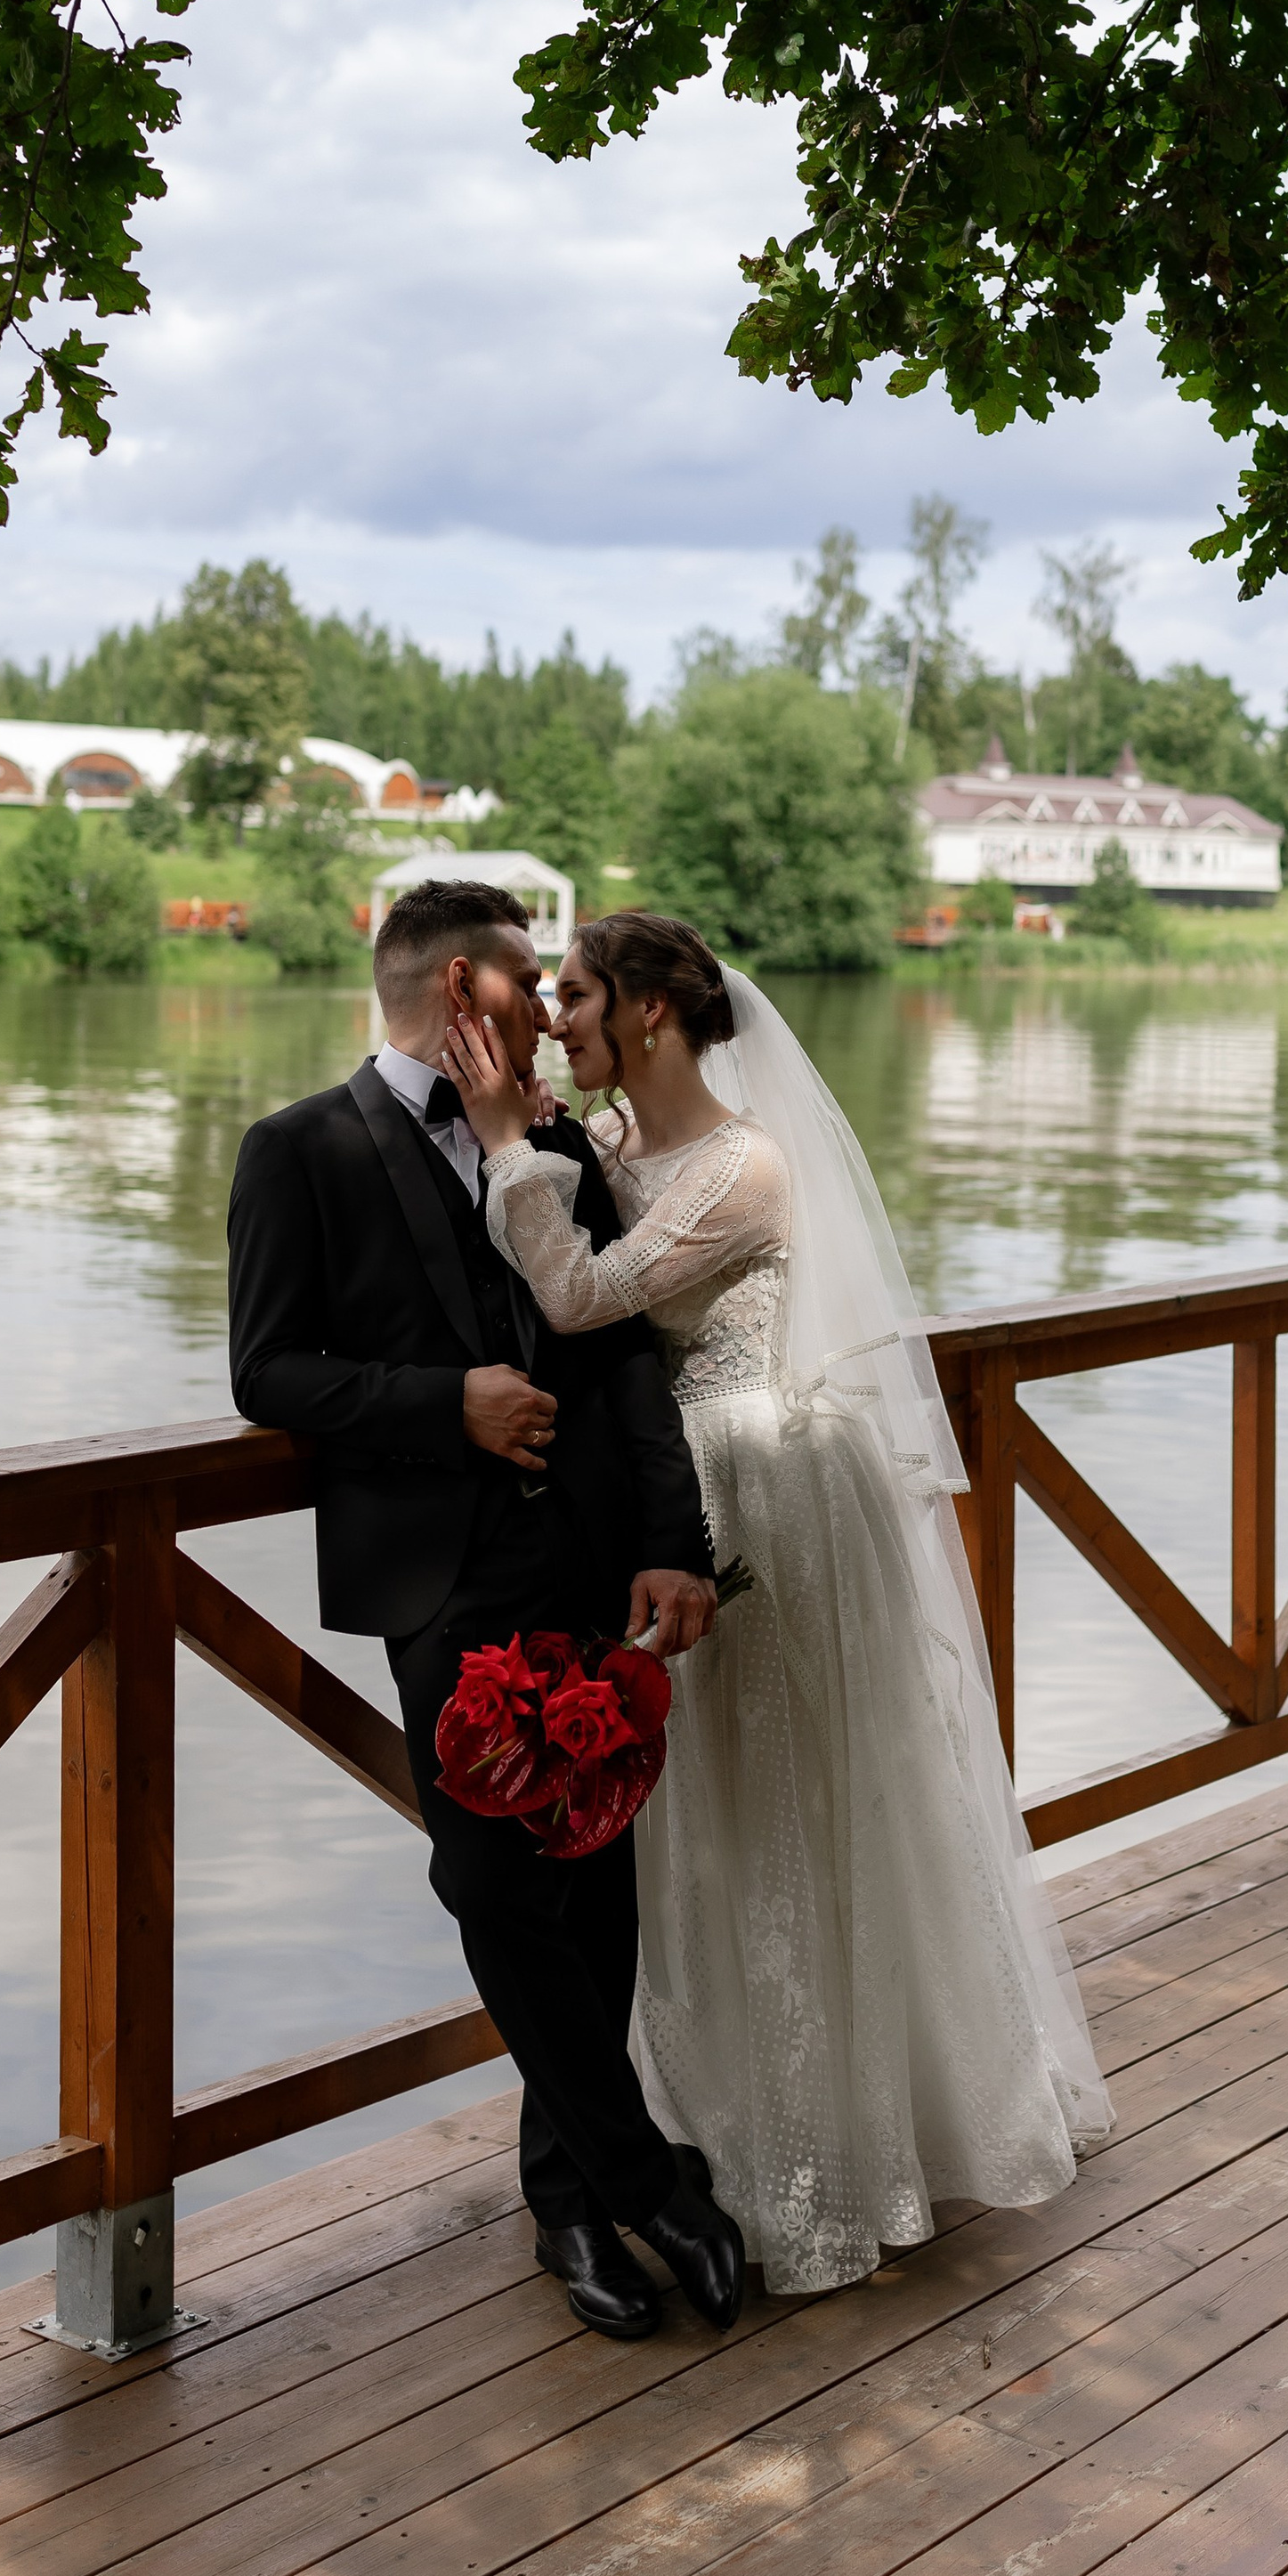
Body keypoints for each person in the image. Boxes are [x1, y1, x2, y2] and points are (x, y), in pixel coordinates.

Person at [443, 908, 1113, 2296]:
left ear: (651, 1011)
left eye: (578, 994)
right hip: (663, 1499)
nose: (557, 1015)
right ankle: (671, 2130)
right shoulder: (609, 1145)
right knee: (679, 1825)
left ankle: (817, 2149)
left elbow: (581, 1295)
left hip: (763, 1490)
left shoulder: (746, 1168)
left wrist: (508, 1146)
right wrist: (540, 1134)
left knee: (787, 1801)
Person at [226, 876, 749, 2343]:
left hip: (590, 1565)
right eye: (532, 977)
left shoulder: (562, 1143)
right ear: (464, 987)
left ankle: (570, 2205)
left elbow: (626, 1366)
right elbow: (267, 1369)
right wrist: (441, 1401)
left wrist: (674, 1545)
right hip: (439, 1581)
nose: (549, 1005)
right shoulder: (299, 1149)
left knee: (599, 1889)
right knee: (498, 1884)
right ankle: (651, 2185)